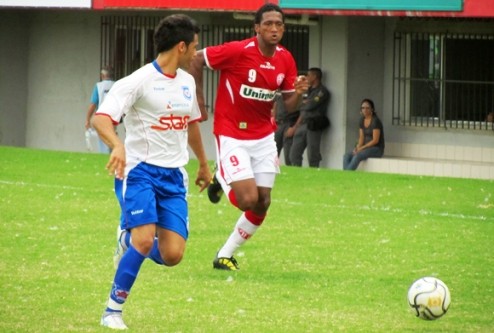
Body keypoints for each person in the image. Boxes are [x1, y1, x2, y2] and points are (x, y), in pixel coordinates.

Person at [92, 14, 211, 330]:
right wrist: (117, 145)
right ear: (181, 46)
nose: (196, 53)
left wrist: (202, 163)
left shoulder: (187, 82)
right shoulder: (137, 81)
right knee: (144, 241)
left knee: (173, 255)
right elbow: (101, 119)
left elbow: (191, 125)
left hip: (174, 176)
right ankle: (112, 310)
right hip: (140, 171)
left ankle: (127, 236)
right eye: (195, 47)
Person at [188, 3, 309, 271]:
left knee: (263, 202)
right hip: (231, 133)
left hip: (264, 137)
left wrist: (298, 92)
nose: (274, 29)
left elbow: (289, 105)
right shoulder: (237, 51)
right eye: (268, 24)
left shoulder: (285, 59)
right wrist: (198, 97)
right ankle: (222, 177)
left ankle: (225, 254)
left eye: (279, 24)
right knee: (247, 200)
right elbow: (197, 58)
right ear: (257, 27)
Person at [289, 67, 330, 168]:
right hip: (302, 123)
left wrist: (304, 103)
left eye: (308, 75)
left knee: (312, 154)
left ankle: (314, 175)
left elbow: (310, 105)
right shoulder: (307, 90)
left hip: (313, 125)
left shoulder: (322, 91)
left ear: (315, 76)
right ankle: (297, 175)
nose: (307, 77)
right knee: (294, 154)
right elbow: (299, 106)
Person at [343, 98, 385, 170]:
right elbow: (361, 137)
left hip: (376, 149)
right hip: (365, 148)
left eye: (367, 108)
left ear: (372, 109)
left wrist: (361, 148)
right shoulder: (362, 120)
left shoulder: (375, 121)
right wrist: (357, 148)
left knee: (357, 156)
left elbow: (375, 140)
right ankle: (346, 173)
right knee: (347, 155)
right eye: (363, 108)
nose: (365, 110)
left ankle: (347, 175)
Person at [85, 66, 115, 153]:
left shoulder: (99, 86)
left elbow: (93, 105)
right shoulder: (116, 85)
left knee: (103, 142)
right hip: (113, 117)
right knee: (111, 137)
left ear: (102, 75)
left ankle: (105, 157)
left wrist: (87, 120)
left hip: (102, 117)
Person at [273, 92, 299, 165]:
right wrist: (273, 121)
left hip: (289, 123)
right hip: (278, 123)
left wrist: (294, 127)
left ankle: (290, 172)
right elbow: (275, 104)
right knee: (273, 152)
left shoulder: (297, 92)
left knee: (288, 153)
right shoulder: (279, 91)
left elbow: (301, 111)